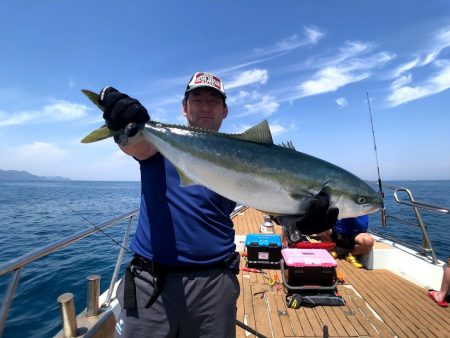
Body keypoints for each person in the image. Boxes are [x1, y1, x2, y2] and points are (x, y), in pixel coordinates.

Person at [98, 71, 338, 338]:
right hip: (150, 284)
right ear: (184, 107)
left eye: (213, 101)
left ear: (225, 111)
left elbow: (271, 199)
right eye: (197, 99)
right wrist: (121, 123)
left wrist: (302, 218)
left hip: (214, 284)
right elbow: (134, 144)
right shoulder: (160, 146)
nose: (204, 106)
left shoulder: (245, 156)